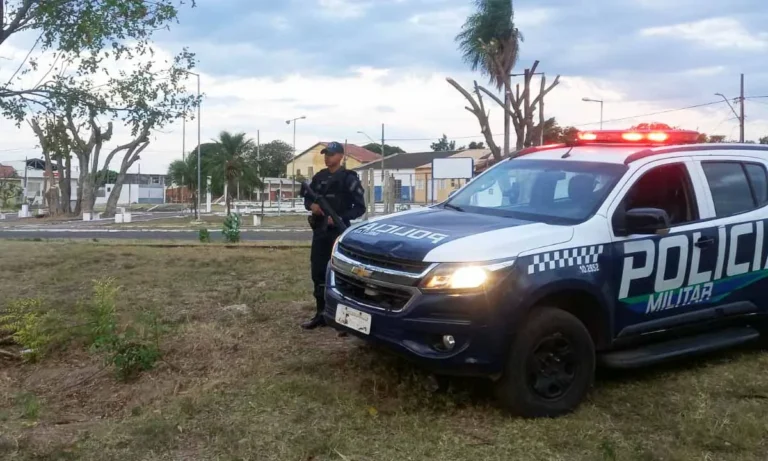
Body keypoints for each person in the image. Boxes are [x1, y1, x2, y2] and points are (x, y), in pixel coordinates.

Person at [302, 141, 366, 330]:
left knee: (344, 274)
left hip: (339, 232)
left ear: (340, 156)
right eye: (325, 154)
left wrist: (339, 217)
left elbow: (360, 208)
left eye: (330, 154)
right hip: (320, 232)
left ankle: (346, 320)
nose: (327, 157)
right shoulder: (319, 177)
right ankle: (321, 313)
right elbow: (307, 197)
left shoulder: (349, 178)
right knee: (318, 272)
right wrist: (311, 206)